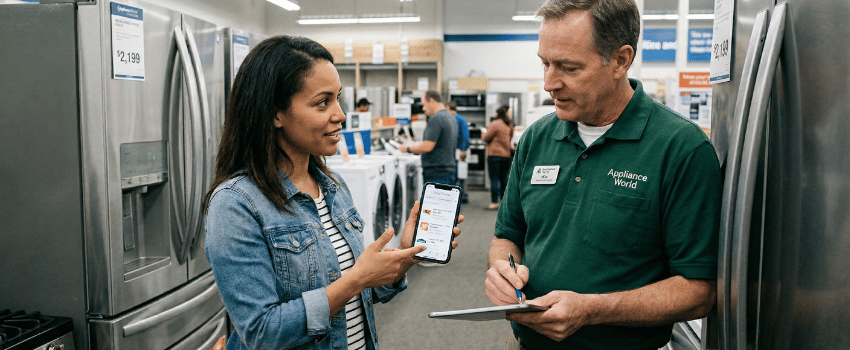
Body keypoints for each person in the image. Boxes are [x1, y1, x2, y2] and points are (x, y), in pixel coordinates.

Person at [484, 1, 721, 349]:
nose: (550, 83)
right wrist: (503, 272)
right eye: (545, 63)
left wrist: (593, 309)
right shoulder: (537, 138)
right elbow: (507, 236)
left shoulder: (681, 149)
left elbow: (697, 290)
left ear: (621, 61)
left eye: (568, 67)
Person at [203, 35, 464, 350]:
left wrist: (403, 258)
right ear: (275, 113)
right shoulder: (236, 204)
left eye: (338, 98)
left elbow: (356, 291)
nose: (340, 114)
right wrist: (356, 279)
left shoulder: (334, 186)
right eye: (322, 102)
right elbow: (262, 333)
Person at [399, 91, 458, 186]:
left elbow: (427, 146)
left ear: (431, 100)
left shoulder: (436, 118)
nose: (423, 108)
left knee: (434, 201)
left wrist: (407, 148)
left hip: (436, 174)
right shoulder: (450, 117)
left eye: (424, 104)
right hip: (447, 171)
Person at [481, 105, 514, 210]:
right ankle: (504, 202)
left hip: (494, 155)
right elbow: (510, 137)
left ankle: (494, 202)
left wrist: (483, 133)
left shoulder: (494, 124)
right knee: (504, 179)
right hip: (506, 155)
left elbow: (486, 138)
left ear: (498, 113)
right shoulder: (509, 125)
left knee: (494, 179)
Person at [447, 101, 471, 203]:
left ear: (449, 108)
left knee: (460, 174)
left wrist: (463, 150)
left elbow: (465, 136)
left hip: (459, 150)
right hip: (456, 150)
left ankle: (462, 195)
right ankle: (458, 195)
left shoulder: (458, 119)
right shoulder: (458, 119)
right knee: (458, 173)